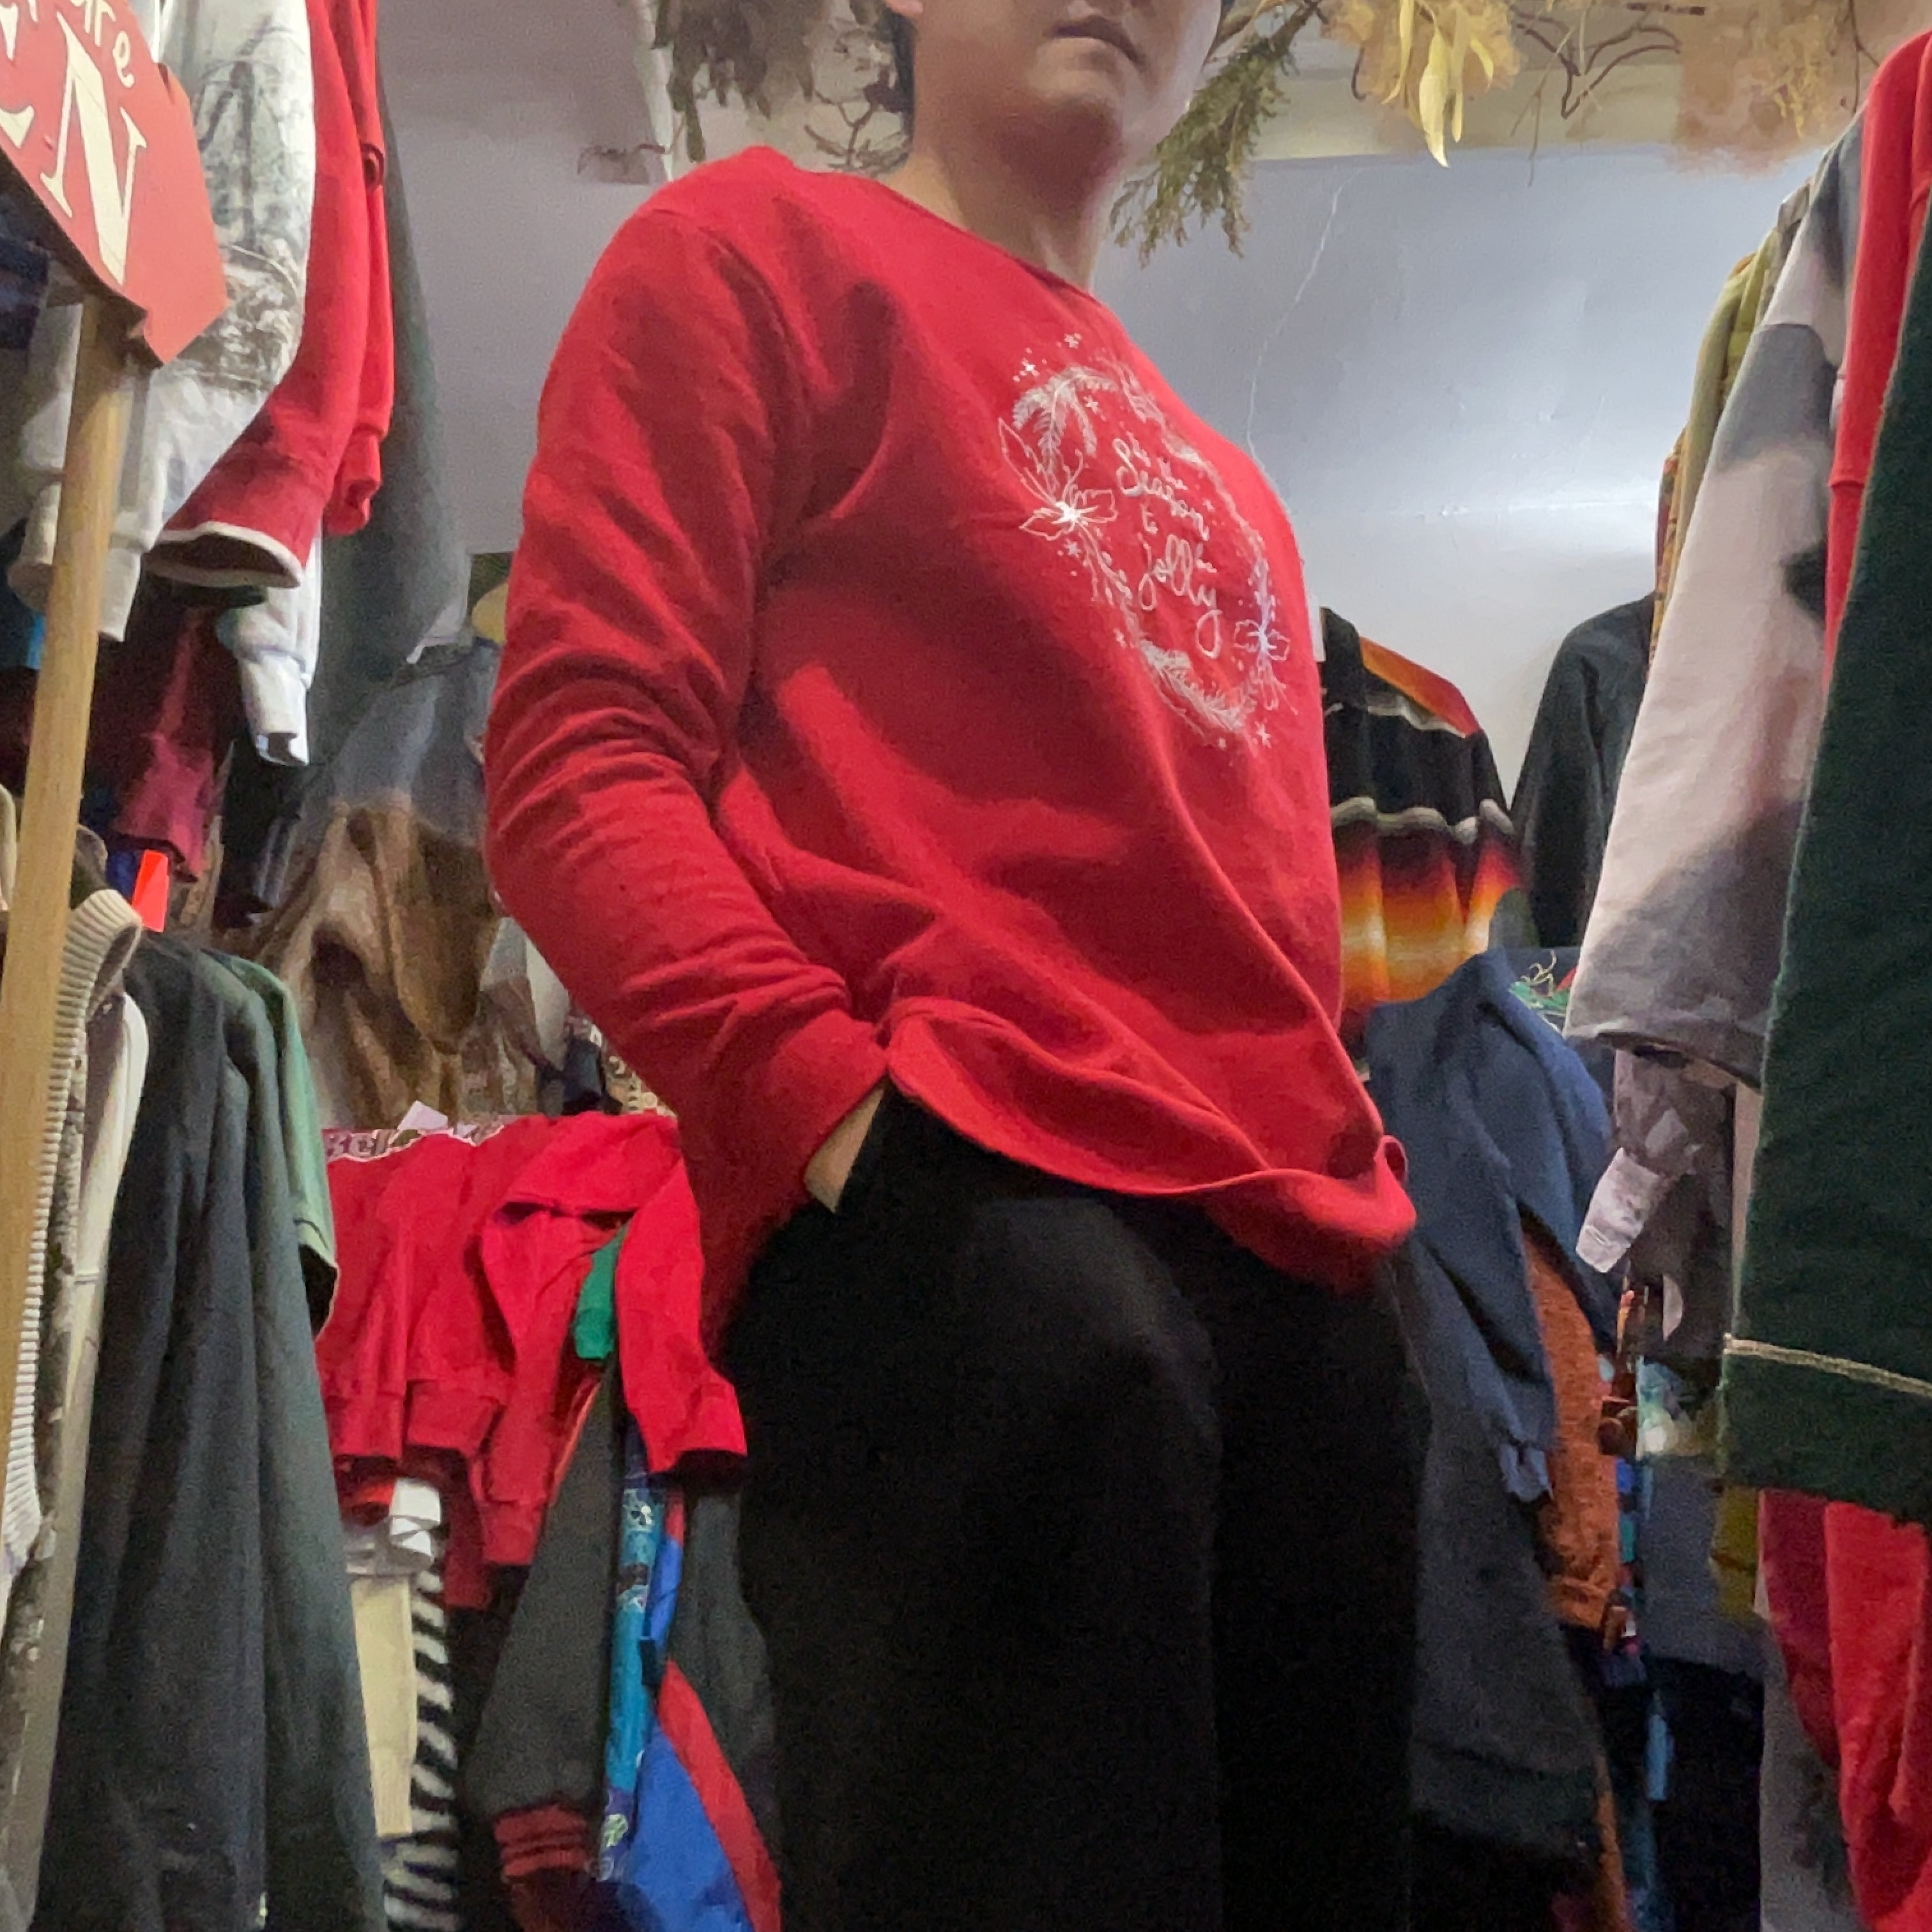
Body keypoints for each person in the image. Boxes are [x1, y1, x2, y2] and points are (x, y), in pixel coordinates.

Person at [485, 0, 1422, 1925]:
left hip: (1302, 1292)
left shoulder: (1241, 496)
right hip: (978, 1248)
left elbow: (1270, 934)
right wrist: (853, 1143)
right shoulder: (754, 255)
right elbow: (581, 764)